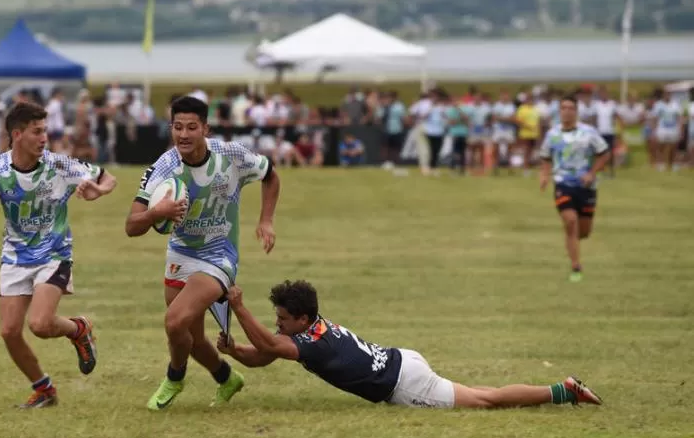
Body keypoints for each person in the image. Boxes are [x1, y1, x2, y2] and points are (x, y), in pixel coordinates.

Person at [217, 280, 602, 409]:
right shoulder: (309, 331)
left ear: (301, 319)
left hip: (405, 383)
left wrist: (239, 307)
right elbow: (262, 355)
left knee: (487, 401)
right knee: (485, 393)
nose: (278, 324)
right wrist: (235, 351)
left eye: (283, 319)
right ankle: (562, 391)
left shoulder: (309, 345)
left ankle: (564, 391)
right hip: (403, 361)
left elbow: (267, 343)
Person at [0, 101, 117, 408]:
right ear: (17, 134)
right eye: (37, 132)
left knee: (41, 325)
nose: (44, 137)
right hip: (15, 257)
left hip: (54, 254)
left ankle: (78, 329)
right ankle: (44, 390)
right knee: (8, 332)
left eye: (45, 130)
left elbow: (107, 177)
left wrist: (101, 190)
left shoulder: (60, 165)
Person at [125, 96, 280, 411]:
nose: (183, 134)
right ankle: (226, 378)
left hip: (219, 256)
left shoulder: (231, 156)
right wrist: (159, 212)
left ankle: (174, 376)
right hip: (180, 254)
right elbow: (131, 225)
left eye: (191, 127)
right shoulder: (163, 167)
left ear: (205, 128)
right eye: (177, 127)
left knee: (173, 322)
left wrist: (266, 219)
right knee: (190, 338)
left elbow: (271, 175)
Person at [539, 95, 611, 282]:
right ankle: (576, 266)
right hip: (563, 183)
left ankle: (572, 243)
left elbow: (604, 154)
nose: (567, 111)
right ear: (559, 111)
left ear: (576, 111)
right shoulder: (552, 134)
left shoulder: (589, 132)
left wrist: (592, 173)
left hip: (586, 186)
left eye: (571, 108)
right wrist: (545, 175)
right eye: (563, 108)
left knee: (584, 231)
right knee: (570, 221)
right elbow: (546, 156)